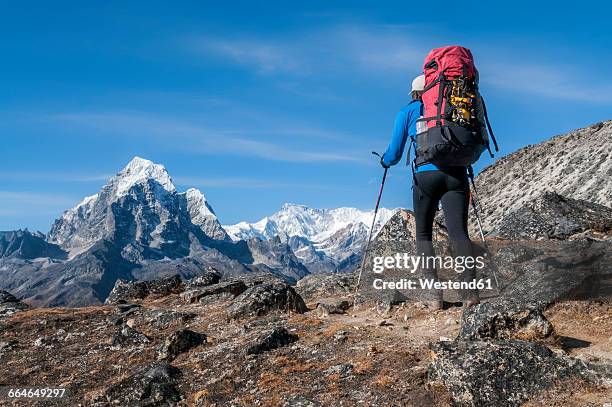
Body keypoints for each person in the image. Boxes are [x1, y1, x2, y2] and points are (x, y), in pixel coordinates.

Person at [380, 74, 479, 310]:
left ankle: (433, 295)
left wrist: (384, 161)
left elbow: (394, 154)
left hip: (425, 175)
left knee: (423, 233)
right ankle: (470, 294)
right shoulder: (456, 104)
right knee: (459, 232)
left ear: (415, 92)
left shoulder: (408, 111)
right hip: (457, 174)